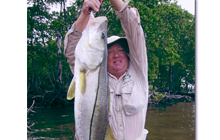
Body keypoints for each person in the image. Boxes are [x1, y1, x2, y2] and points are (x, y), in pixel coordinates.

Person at [64, 0, 149, 139]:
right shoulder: (85, 70)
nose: (116, 55)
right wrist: (85, 14)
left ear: (128, 55)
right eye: (109, 52)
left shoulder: (139, 74)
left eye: (121, 50)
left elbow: (135, 30)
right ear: (103, 56)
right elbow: (71, 48)